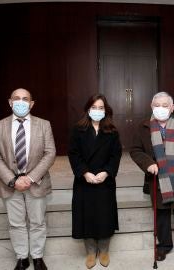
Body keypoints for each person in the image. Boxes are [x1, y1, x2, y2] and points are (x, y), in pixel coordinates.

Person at [130, 92, 174, 262]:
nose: (161, 109)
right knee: (162, 215)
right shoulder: (143, 127)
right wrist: (148, 163)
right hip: (157, 179)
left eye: (165, 105)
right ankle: (163, 246)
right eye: (157, 105)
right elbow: (135, 150)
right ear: (151, 106)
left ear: (172, 108)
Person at [0, 88, 56, 270]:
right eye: (16, 98)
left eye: (25, 99)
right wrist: (13, 180)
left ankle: (37, 256)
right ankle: (22, 257)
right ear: (10, 102)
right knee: (16, 223)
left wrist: (31, 177)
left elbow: (50, 153)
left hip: (36, 182)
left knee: (37, 222)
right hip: (9, 184)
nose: (21, 102)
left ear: (32, 103)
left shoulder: (44, 124)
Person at [68, 94, 122, 269]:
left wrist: (107, 172)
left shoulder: (112, 131)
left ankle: (104, 250)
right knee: (86, 216)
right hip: (84, 182)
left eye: (101, 108)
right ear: (87, 109)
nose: (97, 111)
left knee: (105, 216)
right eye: (94, 107)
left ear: (105, 110)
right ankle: (90, 252)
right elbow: (73, 154)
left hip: (104, 182)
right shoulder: (78, 130)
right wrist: (84, 172)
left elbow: (116, 155)